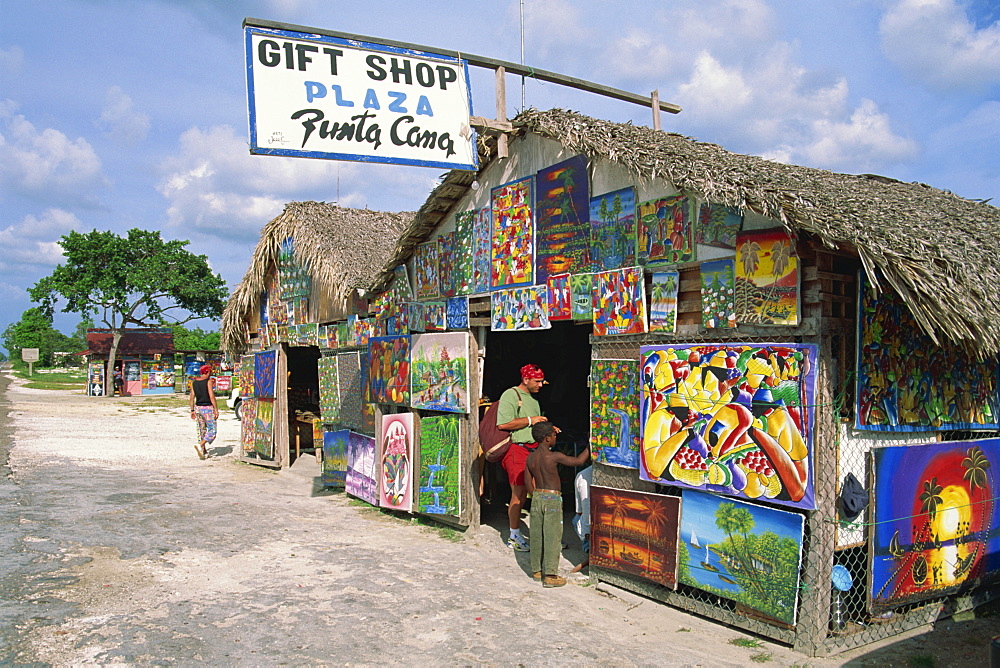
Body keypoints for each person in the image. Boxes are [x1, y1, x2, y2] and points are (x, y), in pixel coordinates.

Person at [524, 422, 591, 587]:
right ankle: (551, 575)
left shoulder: (530, 458)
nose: (555, 438)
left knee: (537, 535)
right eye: (554, 436)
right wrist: (590, 443)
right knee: (552, 537)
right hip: (552, 499)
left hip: (537, 496)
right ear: (547, 439)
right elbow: (579, 461)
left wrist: (537, 495)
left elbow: (528, 483)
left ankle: (537, 570)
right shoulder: (554, 456)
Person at [496, 363, 550, 552]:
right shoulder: (511, 395)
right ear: (525, 379)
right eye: (537, 381)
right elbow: (503, 424)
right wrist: (531, 420)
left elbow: (533, 428)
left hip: (534, 450)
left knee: (538, 492)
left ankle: (541, 536)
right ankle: (514, 535)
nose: (541, 385)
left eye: (542, 381)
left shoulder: (534, 400)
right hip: (517, 450)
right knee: (518, 494)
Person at [188, 364, 219, 459]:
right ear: (207, 372)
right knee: (212, 430)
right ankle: (201, 444)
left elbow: (192, 397)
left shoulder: (194, 382)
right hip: (207, 408)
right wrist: (216, 409)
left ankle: (203, 451)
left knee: (201, 429)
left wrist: (192, 410)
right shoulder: (208, 382)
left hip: (198, 408)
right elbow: (211, 396)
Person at [571, 465, 593, 573]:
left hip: (588, 525)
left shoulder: (582, 475)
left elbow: (579, 512)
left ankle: (588, 549)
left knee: (576, 520)